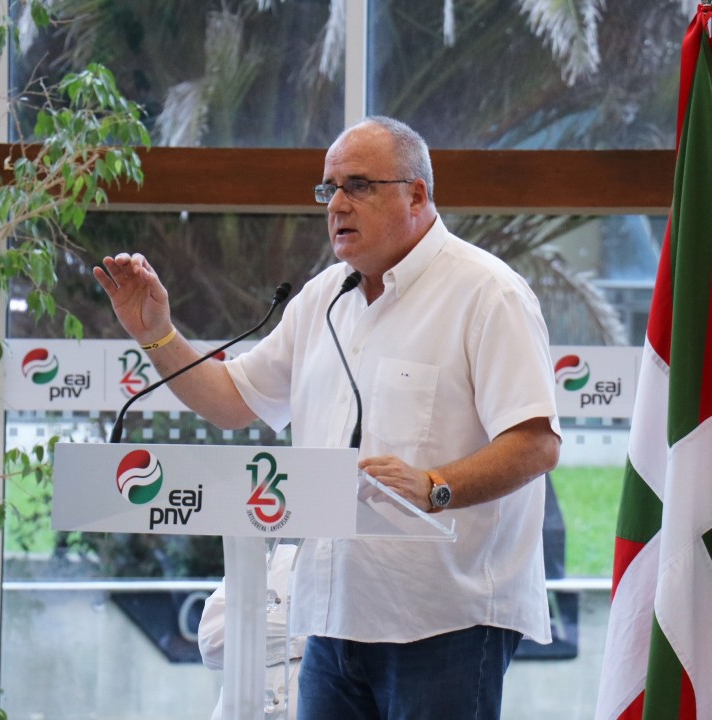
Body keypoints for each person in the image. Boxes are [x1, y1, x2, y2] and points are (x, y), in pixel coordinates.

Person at [94, 115, 561, 719]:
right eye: (329, 189)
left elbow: (535, 443)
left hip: (447, 620)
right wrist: (157, 334)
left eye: (358, 185)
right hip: (330, 618)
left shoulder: (487, 293)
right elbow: (232, 401)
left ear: (416, 194)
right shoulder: (323, 298)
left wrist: (435, 486)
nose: (337, 204)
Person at [198, 542, 304, 720]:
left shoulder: (350, 575)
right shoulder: (270, 559)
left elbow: (347, 644)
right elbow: (212, 643)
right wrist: (310, 637)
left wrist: (257, 627)